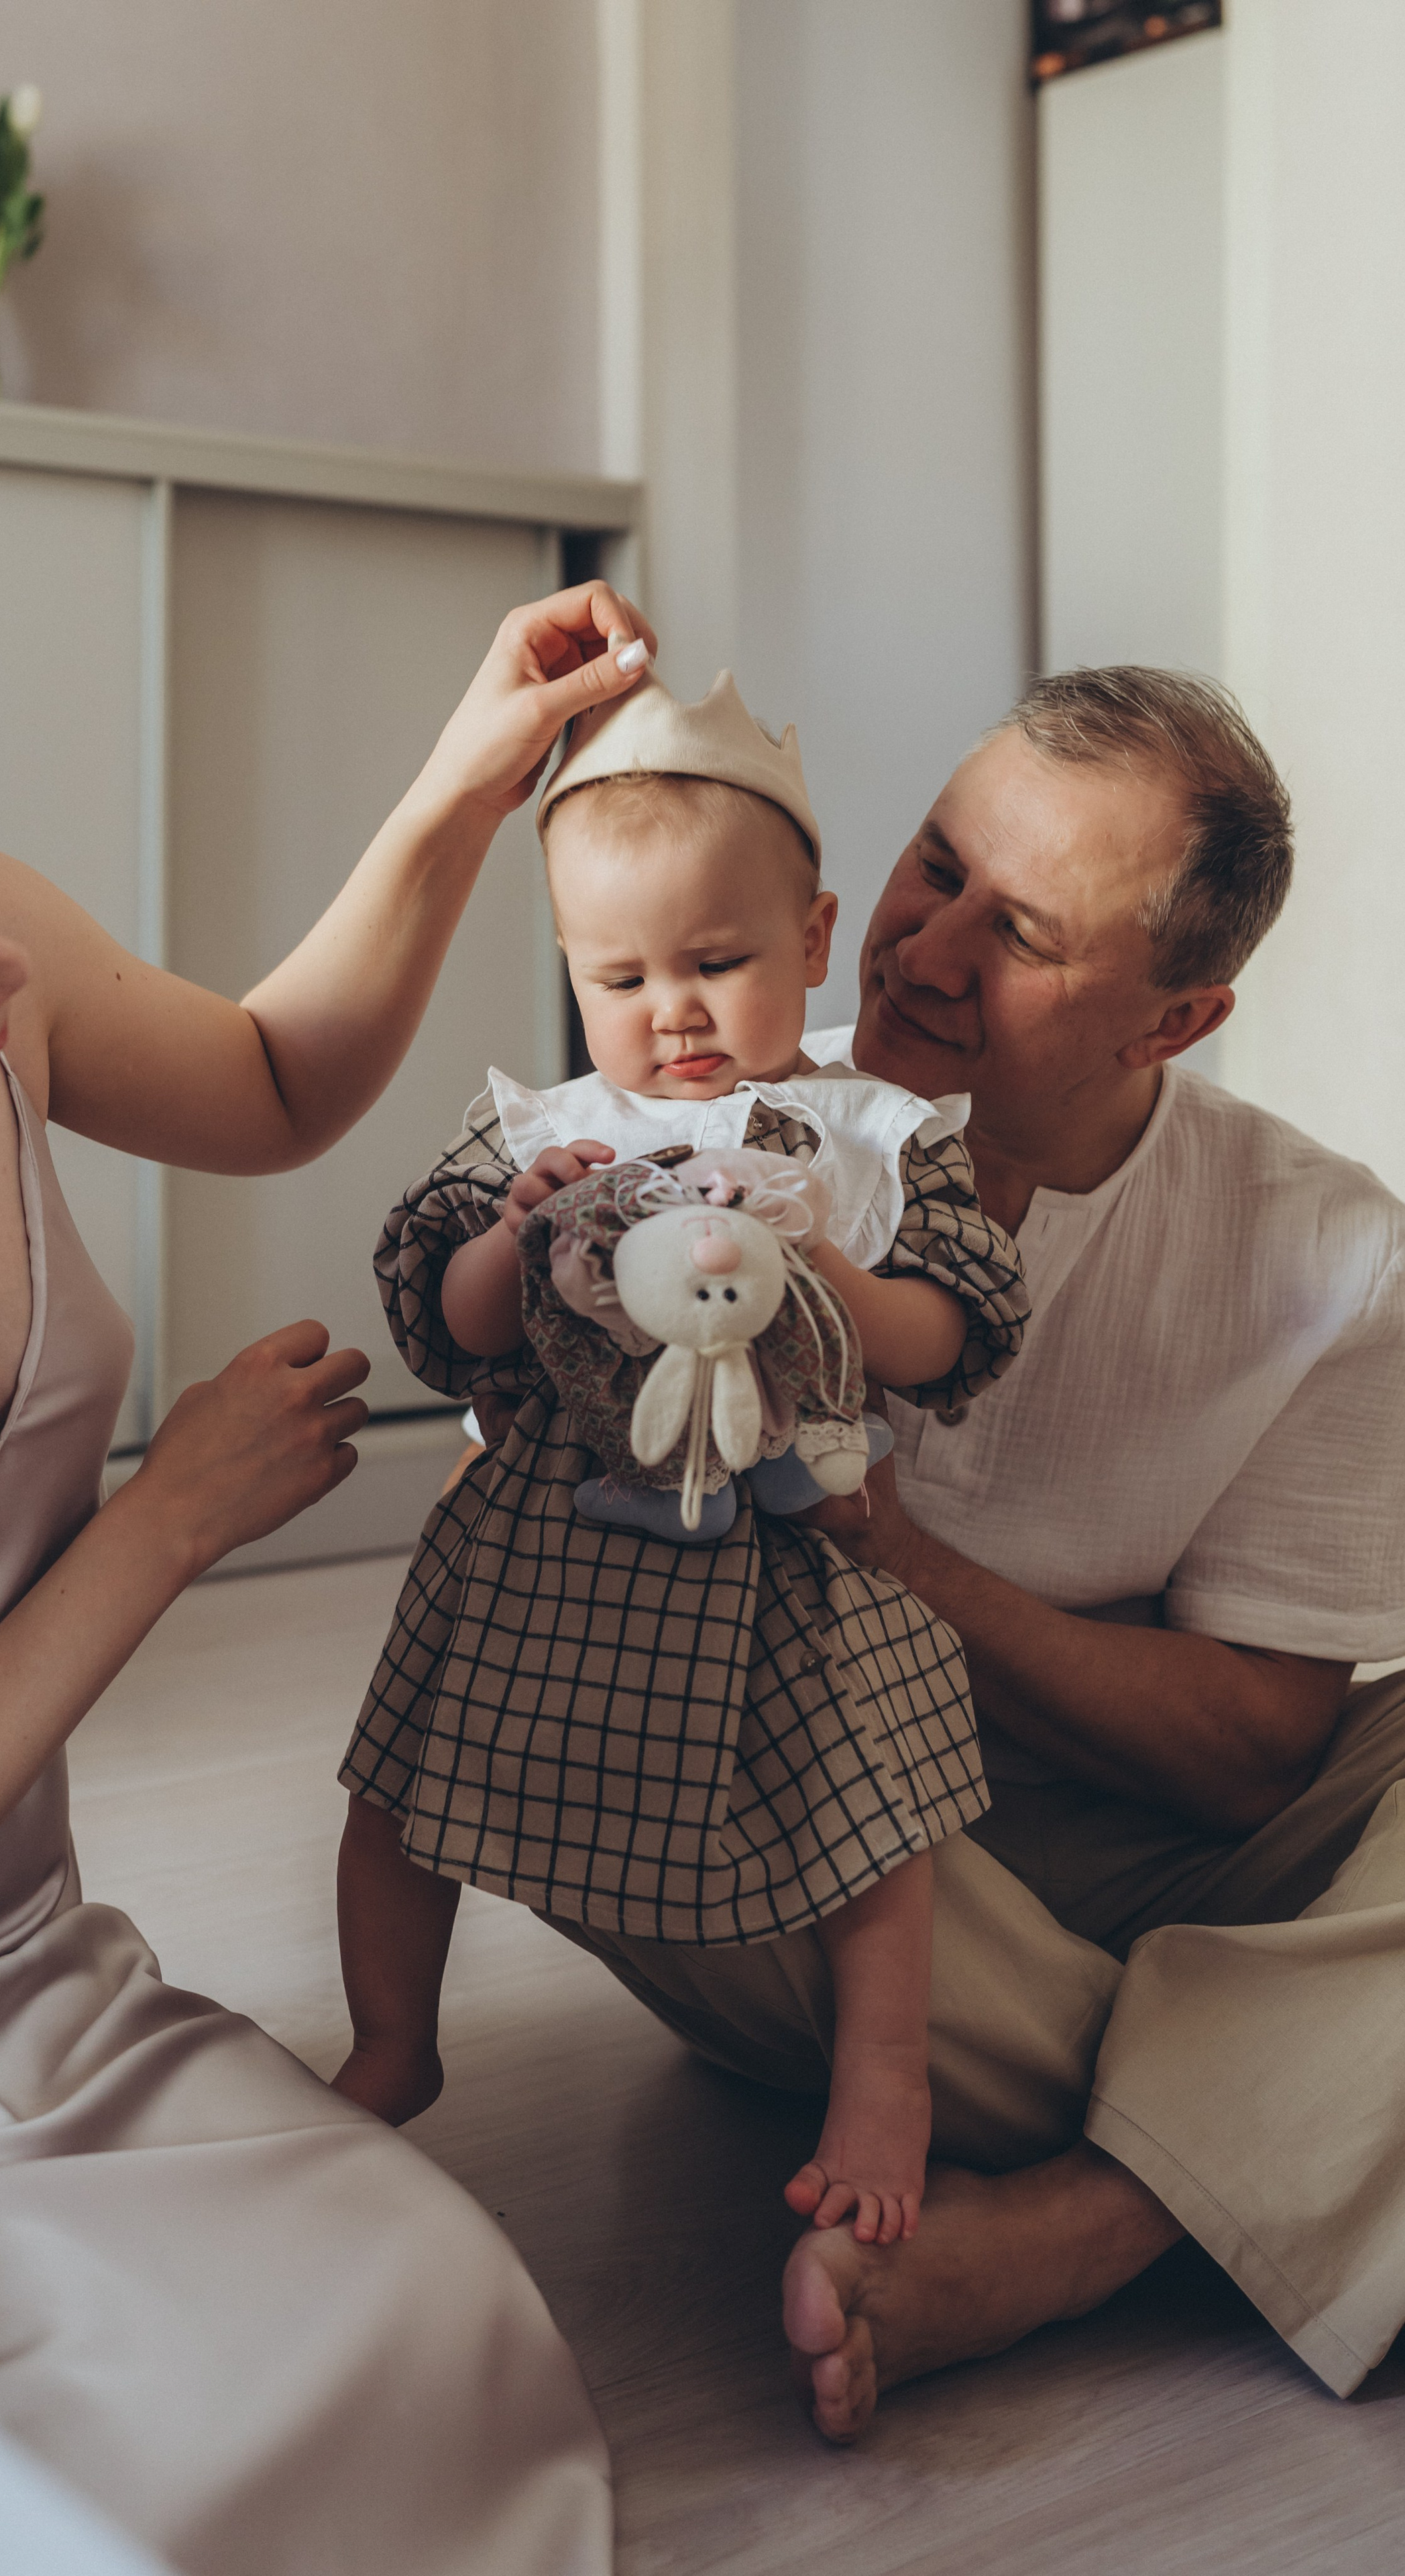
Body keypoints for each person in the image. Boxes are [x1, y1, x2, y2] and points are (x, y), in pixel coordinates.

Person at [0, 582, 657, 2576]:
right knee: (89, 2468)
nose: (3, 991)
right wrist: (168, 1521)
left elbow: (276, 1079)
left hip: (27, 1945)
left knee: (430, 2324)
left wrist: (465, 787)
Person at [530, 665, 1405, 2439]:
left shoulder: (1332, 1257)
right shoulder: (715, 1132)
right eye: (933, 866)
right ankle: (1290, 2104)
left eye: (1017, 933)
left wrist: (905, 1557)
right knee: (585, 1745)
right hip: (814, 1854)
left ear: (1173, 1022)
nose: (923, 954)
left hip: (1126, 1843)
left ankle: (1086, 2228)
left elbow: (1256, 1754)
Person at [331, 672, 1027, 2251]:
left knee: (877, 1826)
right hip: (545, 1528)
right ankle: (391, 2037)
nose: (674, 1012)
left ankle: (884, 2080)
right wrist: (513, 1239)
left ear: (807, 935)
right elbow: (440, 1320)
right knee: (396, 1789)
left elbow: (965, 1325)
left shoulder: (869, 1135)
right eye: (620, 973)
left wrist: (848, 1290)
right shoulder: (539, 1127)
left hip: (793, 1541)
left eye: (718, 961)